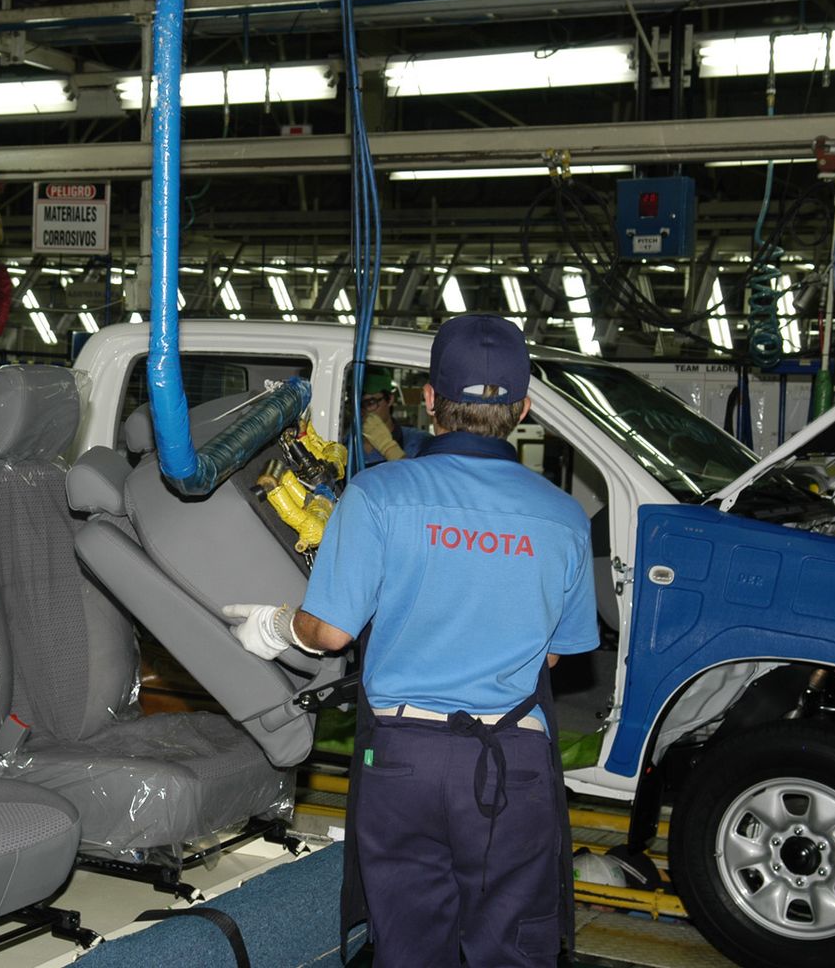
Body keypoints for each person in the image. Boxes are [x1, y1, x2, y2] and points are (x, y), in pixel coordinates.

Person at [224, 315, 598, 967]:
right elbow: (558, 654)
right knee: (513, 947)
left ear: (430, 398)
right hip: (513, 766)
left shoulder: (378, 495)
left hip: (404, 763)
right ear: (526, 408)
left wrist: (276, 624)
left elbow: (331, 631)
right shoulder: (562, 515)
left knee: (407, 947)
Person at [360, 367, 429, 465]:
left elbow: (421, 479)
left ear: (390, 399)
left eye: (371, 403)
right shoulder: (343, 442)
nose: (363, 411)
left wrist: (389, 448)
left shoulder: (418, 442)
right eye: (357, 404)